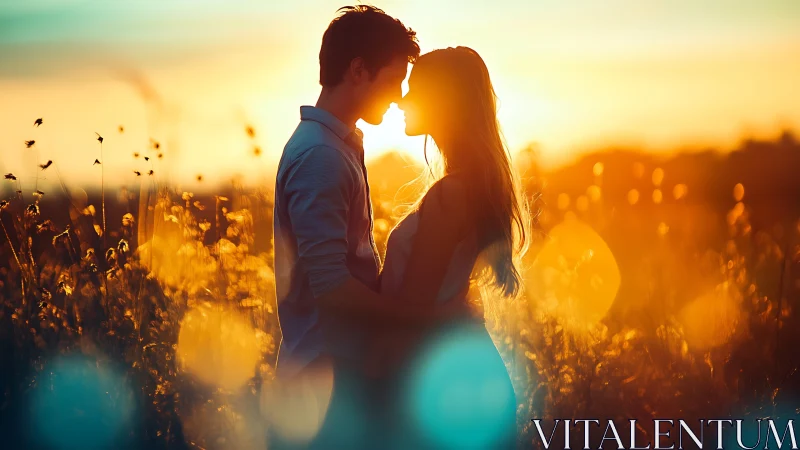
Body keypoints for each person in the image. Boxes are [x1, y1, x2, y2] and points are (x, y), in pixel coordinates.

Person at [268, 6, 475, 450]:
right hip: (325, 386)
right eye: (395, 78)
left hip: (341, 379)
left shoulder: (336, 147)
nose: (399, 95)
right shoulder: (321, 156)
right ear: (358, 70)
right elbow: (332, 288)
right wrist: (429, 317)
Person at [369, 46, 530, 450]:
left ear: (443, 101)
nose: (402, 101)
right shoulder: (466, 185)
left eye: (415, 90)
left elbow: (414, 309)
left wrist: (377, 389)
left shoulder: (451, 194)